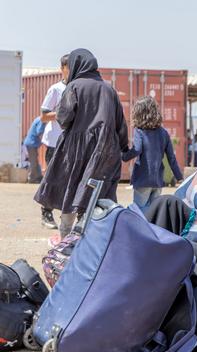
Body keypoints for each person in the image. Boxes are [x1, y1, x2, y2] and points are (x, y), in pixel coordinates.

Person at [34, 48, 129, 239]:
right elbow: (121, 124)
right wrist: (123, 148)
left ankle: (66, 239)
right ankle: (91, 239)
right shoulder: (109, 89)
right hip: (106, 150)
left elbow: (63, 117)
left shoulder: (74, 86)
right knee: (98, 195)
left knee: (72, 187)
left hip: (76, 149)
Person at [121, 97, 184, 212]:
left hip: (142, 179)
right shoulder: (163, 133)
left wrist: (124, 156)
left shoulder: (139, 131)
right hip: (158, 181)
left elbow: (137, 150)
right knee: (154, 212)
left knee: (139, 211)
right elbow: (171, 158)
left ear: (139, 113)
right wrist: (179, 176)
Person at [37, 54, 70, 229]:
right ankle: (46, 213)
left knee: (68, 178)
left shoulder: (76, 88)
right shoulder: (55, 89)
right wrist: (63, 114)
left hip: (70, 142)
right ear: (62, 69)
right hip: (54, 142)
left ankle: (67, 215)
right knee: (52, 178)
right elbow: (43, 116)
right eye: (68, 67)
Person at [23, 117, 46, 183]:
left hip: (31, 143)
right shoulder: (42, 120)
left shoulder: (38, 119)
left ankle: (39, 177)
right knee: (33, 162)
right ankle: (31, 179)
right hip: (31, 143)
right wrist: (46, 143)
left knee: (35, 161)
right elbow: (40, 133)